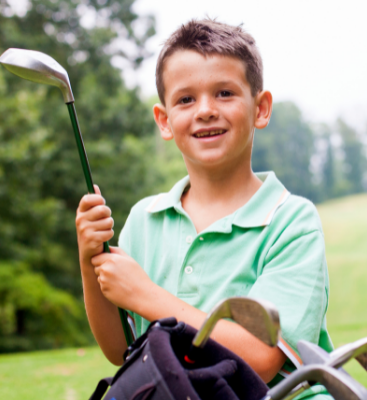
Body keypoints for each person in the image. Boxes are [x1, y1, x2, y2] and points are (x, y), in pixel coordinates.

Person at [75, 19, 333, 396]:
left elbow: (259, 360)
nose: (206, 110)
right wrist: (88, 261)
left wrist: (145, 295)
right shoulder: (145, 221)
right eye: (185, 99)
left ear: (260, 109)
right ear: (164, 121)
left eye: (225, 93)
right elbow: (122, 351)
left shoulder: (291, 222)